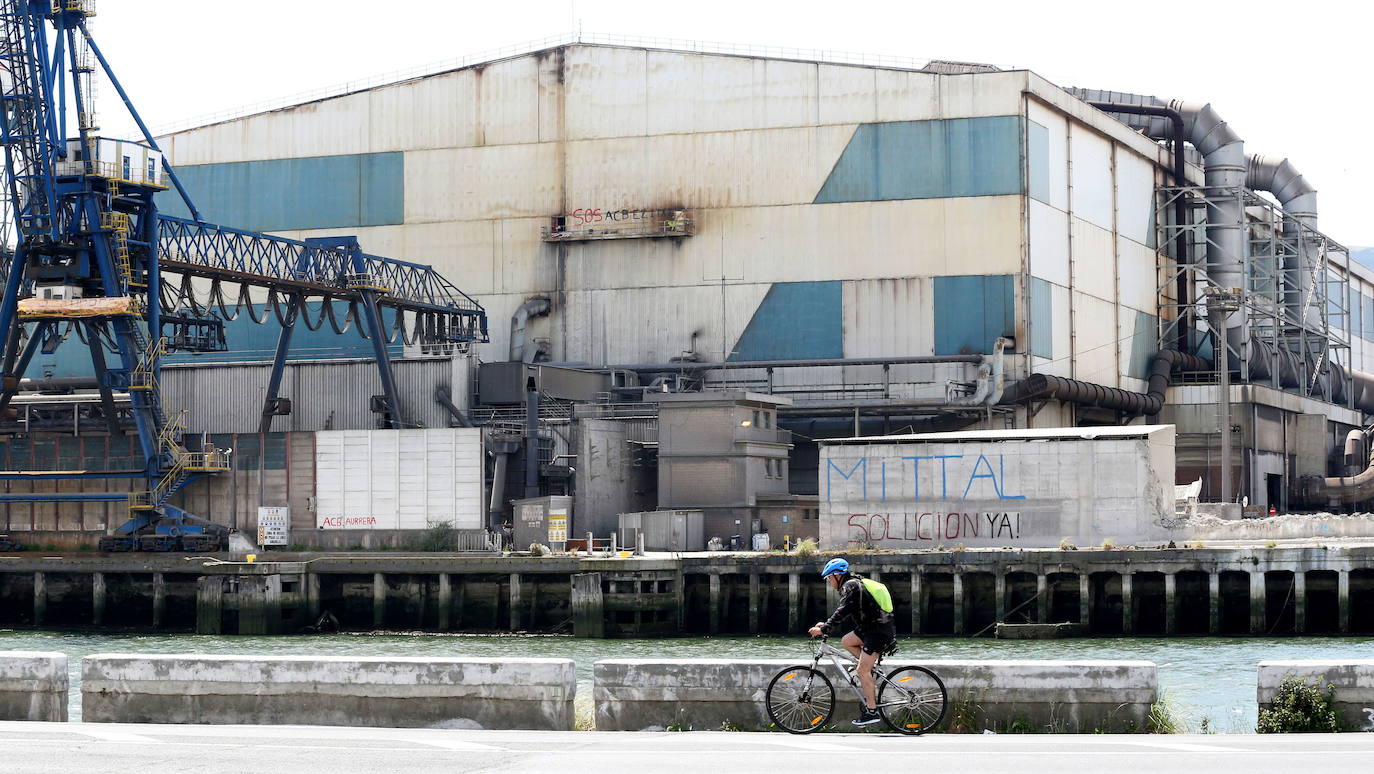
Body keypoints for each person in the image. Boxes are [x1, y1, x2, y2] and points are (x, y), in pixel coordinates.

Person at [807, 557, 895, 727]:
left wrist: (824, 629)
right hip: (870, 628)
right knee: (847, 641)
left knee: (862, 670)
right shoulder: (852, 584)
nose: (829, 582)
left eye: (829, 578)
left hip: (877, 631)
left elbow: (843, 611)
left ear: (837, 576)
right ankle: (870, 670)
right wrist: (825, 624)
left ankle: (872, 711)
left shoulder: (851, 586)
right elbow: (844, 610)